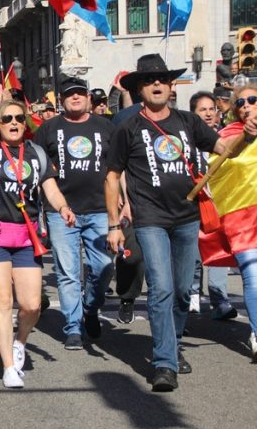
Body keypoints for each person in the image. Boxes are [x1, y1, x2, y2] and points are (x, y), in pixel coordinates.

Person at [105, 54, 257, 392]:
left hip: (188, 218)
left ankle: (171, 346)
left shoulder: (189, 122)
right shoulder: (127, 127)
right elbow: (112, 175)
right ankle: (164, 363)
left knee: (182, 291)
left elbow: (224, 150)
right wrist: (114, 224)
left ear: (172, 86)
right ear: (140, 89)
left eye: (162, 78)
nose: (157, 84)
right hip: (150, 219)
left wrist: (246, 136)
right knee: (161, 287)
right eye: (149, 80)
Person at [0, 98, 74, 387]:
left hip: (26, 236)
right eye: (7, 119)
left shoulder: (36, 153)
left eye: (19, 117)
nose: (14, 123)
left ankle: (20, 342)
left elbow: (50, 189)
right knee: (3, 302)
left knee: (31, 305)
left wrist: (64, 208)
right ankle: (7, 367)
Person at [34, 77, 114, 350]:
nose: (76, 98)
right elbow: (39, 169)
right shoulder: (48, 129)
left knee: (104, 267)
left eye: (81, 93)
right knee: (68, 273)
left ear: (90, 98)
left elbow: (117, 169)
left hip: (101, 209)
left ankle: (91, 308)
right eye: (70, 95)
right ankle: (73, 327)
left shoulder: (106, 126)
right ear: (62, 100)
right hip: (60, 212)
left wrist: (125, 203)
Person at [207, 85, 257, 361]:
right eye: (240, 102)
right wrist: (247, 139)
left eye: (252, 99)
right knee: (253, 276)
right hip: (242, 216)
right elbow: (218, 170)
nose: (246, 105)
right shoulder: (227, 136)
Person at [188, 91, 236, 319]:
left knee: (219, 250)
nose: (208, 113)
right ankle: (192, 295)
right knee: (194, 252)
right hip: (194, 202)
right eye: (202, 109)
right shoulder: (186, 137)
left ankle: (220, 300)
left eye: (211, 109)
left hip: (220, 202)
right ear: (193, 114)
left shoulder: (225, 137)